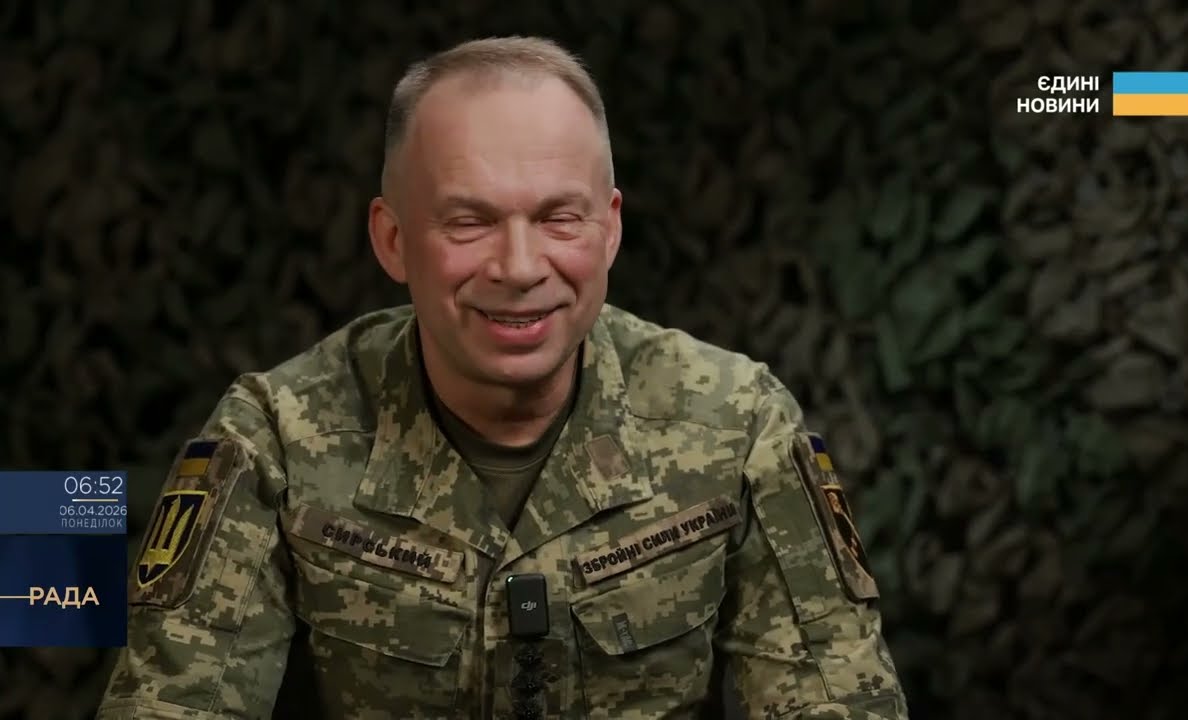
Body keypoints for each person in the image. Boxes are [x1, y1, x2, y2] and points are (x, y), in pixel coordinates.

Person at [96, 35, 908, 719]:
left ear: (609, 229)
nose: (520, 267)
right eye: (470, 221)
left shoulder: (736, 423)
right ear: (392, 240)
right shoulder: (278, 437)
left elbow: (836, 702)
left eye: (558, 218)